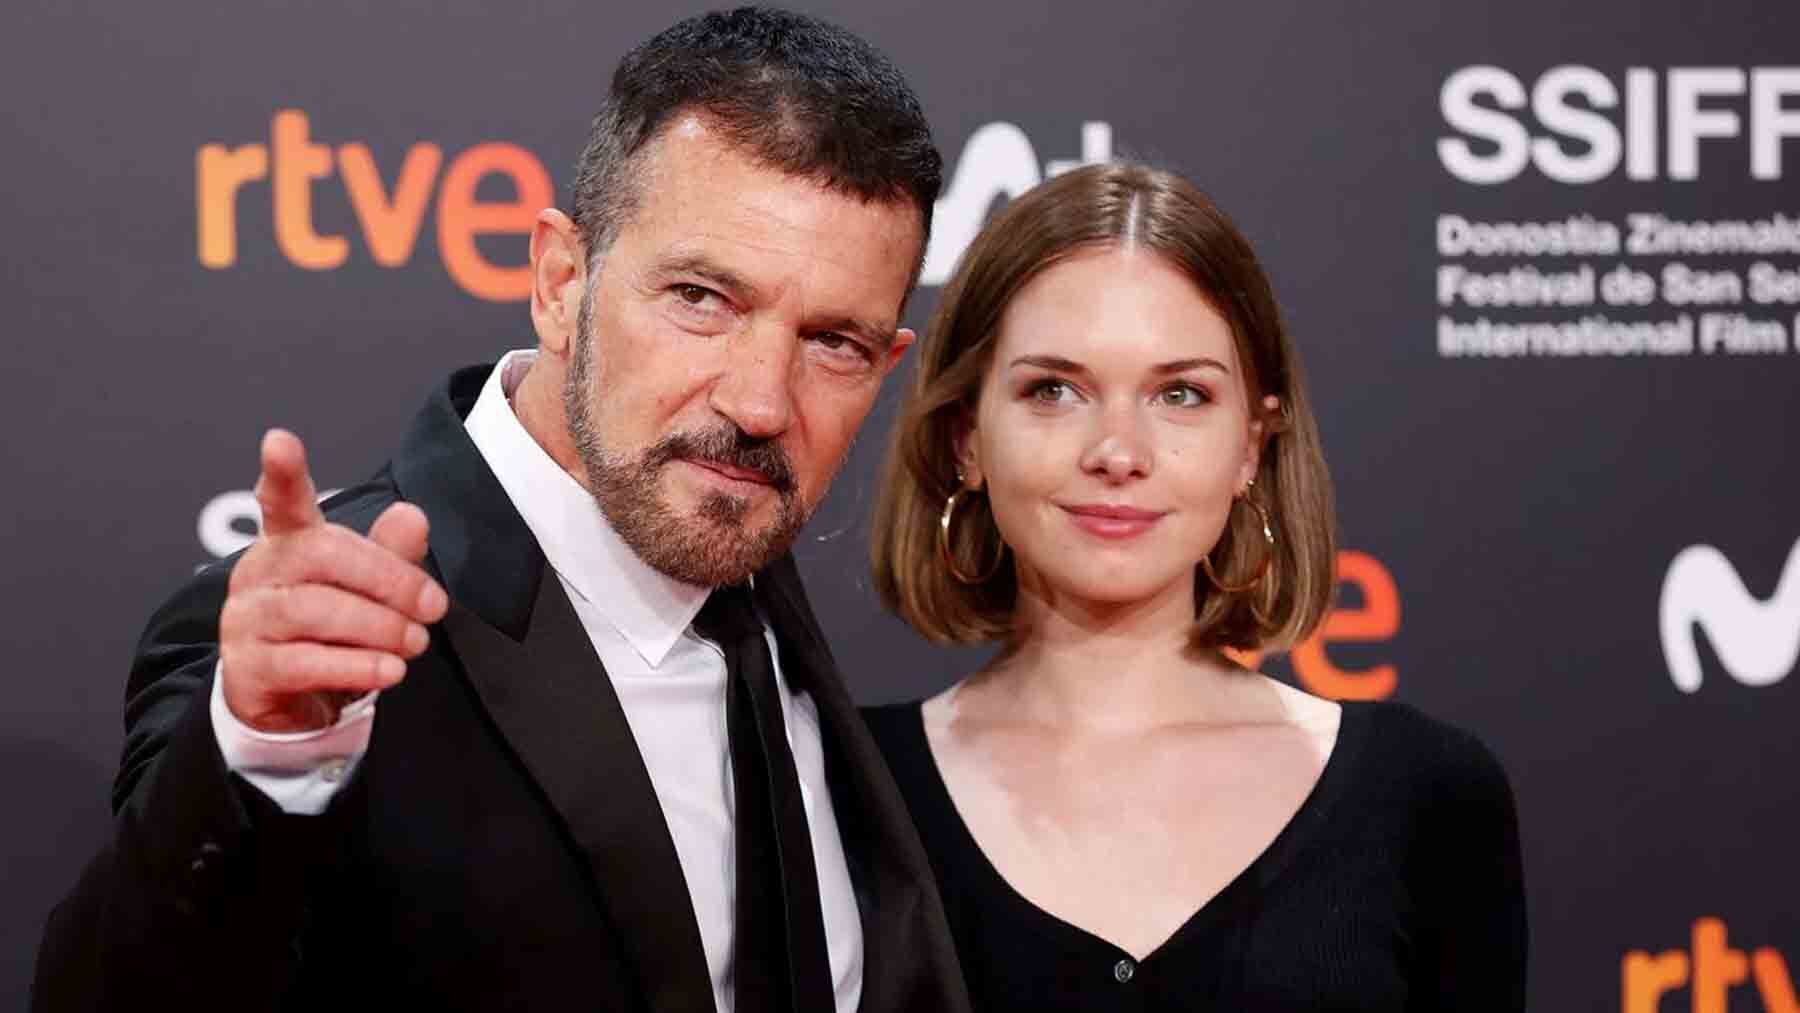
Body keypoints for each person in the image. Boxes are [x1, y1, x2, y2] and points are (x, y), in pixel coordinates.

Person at [33, 9, 972, 1012]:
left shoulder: (746, 578)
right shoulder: (332, 650)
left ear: (889, 364)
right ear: (561, 282)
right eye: (702, 297)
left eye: (835, 342)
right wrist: (261, 755)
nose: (759, 400)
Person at [863, 162, 1528, 1010]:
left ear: (1251, 443)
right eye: (1054, 390)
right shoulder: (845, 790)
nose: (1119, 450)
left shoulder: (1430, 797)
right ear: (967, 440)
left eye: (1180, 393)